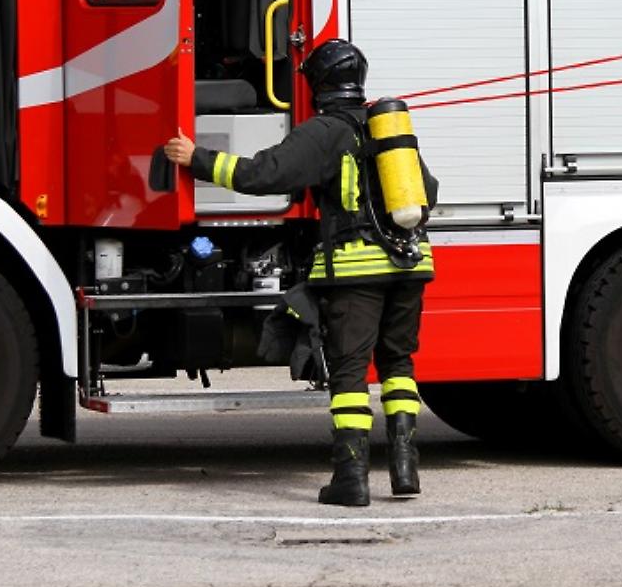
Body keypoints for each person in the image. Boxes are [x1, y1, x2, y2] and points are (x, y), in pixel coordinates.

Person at [164, 39, 438, 507]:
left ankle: (350, 479)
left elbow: (265, 173)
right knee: (399, 366)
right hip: (411, 265)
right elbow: (426, 191)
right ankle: (404, 470)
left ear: (317, 84)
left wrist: (199, 159)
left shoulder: (325, 132)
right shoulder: (388, 129)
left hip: (356, 273)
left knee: (350, 373)